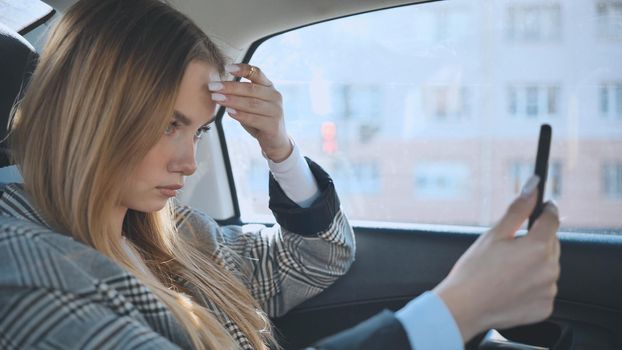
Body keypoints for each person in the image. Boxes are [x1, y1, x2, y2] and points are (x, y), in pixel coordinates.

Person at [0, 0, 560, 349]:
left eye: (197, 131)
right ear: (90, 108)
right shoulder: (20, 268)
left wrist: (278, 147)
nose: (189, 163)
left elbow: (317, 258)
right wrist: (453, 311)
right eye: (167, 124)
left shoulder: (173, 231)